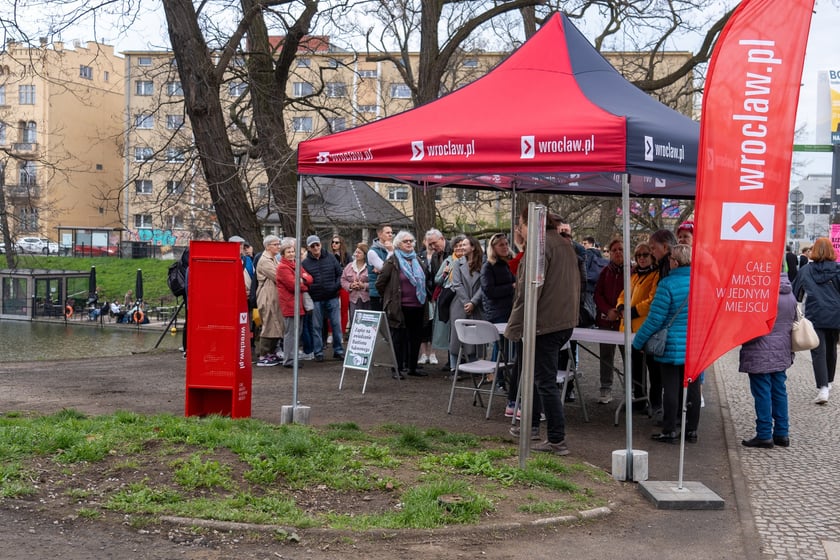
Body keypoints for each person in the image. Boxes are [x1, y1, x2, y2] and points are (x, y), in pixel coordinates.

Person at [506, 210, 579, 455]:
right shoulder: (563, 244)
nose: (519, 229)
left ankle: (557, 439)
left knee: (544, 381)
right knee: (538, 377)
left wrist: (514, 326)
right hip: (562, 321)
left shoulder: (541, 246)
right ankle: (533, 426)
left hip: (544, 322)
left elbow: (529, 291)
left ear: (529, 223)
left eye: (520, 224)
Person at [632, 244, 698, 444]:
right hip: (695, 344)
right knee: (693, 387)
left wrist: (638, 341)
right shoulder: (702, 283)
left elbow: (655, 319)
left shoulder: (667, 285)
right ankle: (691, 431)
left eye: (670, 260)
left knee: (670, 387)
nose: (668, 263)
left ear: (675, 262)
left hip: (671, 344)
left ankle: (669, 429)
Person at [739, 272, 796, 448]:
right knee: (779, 390)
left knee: (762, 391)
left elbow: (751, 325)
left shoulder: (761, 292)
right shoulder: (789, 293)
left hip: (759, 350)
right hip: (781, 350)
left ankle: (764, 434)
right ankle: (782, 433)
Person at [791, 237, 840, 404]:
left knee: (818, 351)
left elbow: (796, 292)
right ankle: (830, 382)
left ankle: (823, 387)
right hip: (835, 313)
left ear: (813, 251)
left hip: (815, 313)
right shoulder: (838, 269)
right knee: (832, 348)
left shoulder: (806, 270)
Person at [375, 230, 429, 378]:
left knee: (415, 338)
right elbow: (380, 283)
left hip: (418, 305)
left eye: (411, 241)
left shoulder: (417, 260)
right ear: (398, 244)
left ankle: (412, 367)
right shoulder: (392, 261)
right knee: (398, 338)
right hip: (399, 307)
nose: (409, 244)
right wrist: (390, 298)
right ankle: (397, 369)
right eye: (406, 241)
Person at [616, 242, 659, 411]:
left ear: (652, 256)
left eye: (645, 255)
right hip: (628, 329)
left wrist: (633, 311)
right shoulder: (633, 276)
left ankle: (655, 403)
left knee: (653, 369)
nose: (641, 258)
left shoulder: (656, 275)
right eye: (639, 255)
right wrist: (620, 306)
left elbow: (652, 300)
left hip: (645, 328)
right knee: (634, 367)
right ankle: (639, 399)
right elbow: (623, 294)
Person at [645, 228, 678, 421]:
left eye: (653, 248)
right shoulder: (665, 267)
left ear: (665, 247)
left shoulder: (666, 270)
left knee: (662, 377)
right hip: (675, 333)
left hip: (665, 333)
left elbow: (660, 309)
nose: (651, 253)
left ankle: (664, 416)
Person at [302, 235, 345, 362]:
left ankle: (338, 350)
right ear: (309, 248)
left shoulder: (331, 258)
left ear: (321, 244)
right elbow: (304, 281)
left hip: (332, 296)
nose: (316, 247)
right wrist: (312, 289)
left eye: (317, 245)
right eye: (312, 246)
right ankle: (318, 352)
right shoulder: (305, 263)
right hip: (316, 298)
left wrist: (335, 287)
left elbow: (340, 274)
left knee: (336, 325)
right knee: (317, 326)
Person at [593, 238, 624, 404]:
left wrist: (619, 312)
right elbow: (598, 294)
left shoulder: (632, 271)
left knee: (629, 356)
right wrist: (607, 310)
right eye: (614, 250)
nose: (618, 253)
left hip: (625, 322)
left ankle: (632, 389)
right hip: (606, 321)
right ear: (610, 254)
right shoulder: (605, 272)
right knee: (606, 356)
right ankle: (605, 388)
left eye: (621, 249)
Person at [448, 236, 485, 368]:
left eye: (465, 245)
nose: (461, 247)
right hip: (460, 304)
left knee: (475, 337)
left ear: (473, 247)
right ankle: (454, 368)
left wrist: (473, 302)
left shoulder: (483, 263)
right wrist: (467, 302)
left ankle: (475, 366)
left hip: (477, 305)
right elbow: (456, 284)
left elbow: (484, 285)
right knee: (456, 337)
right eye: (461, 245)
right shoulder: (458, 263)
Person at [276, 238, 313, 368]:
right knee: (291, 333)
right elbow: (294, 286)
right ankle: (289, 360)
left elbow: (310, 278)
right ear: (283, 254)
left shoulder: (297, 265)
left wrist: (303, 280)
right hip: (290, 304)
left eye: (293, 251)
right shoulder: (283, 268)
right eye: (288, 252)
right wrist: (304, 283)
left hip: (299, 304)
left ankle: (293, 358)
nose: (291, 254)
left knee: (297, 332)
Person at [432, 234, 466, 372]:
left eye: (461, 245)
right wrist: (445, 273)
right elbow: (437, 280)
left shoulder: (470, 260)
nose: (459, 248)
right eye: (456, 246)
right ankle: (451, 361)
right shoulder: (448, 261)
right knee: (450, 329)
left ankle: (464, 360)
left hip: (464, 298)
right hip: (449, 298)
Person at [418, 228, 448, 366]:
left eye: (435, 243)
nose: (433, 247)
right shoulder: (432, 255)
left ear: (442, 239)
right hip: (430, 294)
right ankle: (425, 353)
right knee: (426, 325)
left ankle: (436, 354)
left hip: (445, 295)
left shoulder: (450, 252)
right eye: (430, 244)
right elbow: (433, 277)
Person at [255, 235, 284, 366]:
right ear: (267, 246)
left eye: (279, 244)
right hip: (267, 295)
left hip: (274, 295)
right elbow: (278, 275)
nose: (278, 246)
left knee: (275, 324)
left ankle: (270, 353)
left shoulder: (273, 258)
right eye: (275, 244)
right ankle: (263, 355)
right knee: (268, 324)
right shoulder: (265, 260)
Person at [341, 243, 370, 330]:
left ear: (365, 255)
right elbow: (343, 280)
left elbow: (375, 282)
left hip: (367, 299)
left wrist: (363, 285)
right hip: (353, 299)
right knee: (355, 322)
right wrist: (350, 285)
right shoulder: (349, 266)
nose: (356, 254)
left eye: (359, 252)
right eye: (356, 252)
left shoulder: (370, 266)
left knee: (367, 322)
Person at [367, 224, 394, 312]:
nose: (390, 235)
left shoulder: (395, 248)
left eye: (391, 233)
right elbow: (385, 269)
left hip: (391, 291)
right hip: (378, 292)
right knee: (379, 320)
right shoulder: (372, 251)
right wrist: (390, 252)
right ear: (379, 234)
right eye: (387, 232)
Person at [330, 235, 352, 333]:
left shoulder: (347, 256)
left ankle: (341, 332)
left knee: (344, 308)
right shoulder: (329, 256)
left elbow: (349, 270)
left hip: (344, 284)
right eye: (333, 242)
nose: (334, 244)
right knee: (331, 308)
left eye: (336, 242)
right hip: (332, 284)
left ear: (341, 244)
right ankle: (330, 333)